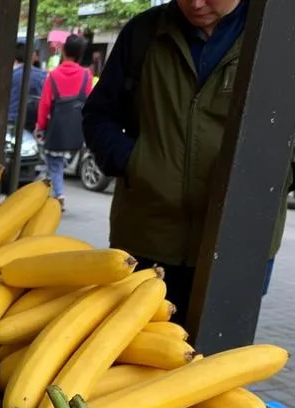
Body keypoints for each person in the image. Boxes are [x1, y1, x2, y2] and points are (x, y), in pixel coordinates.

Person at [83, 0, 286, 323]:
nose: (195, 3)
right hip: (147, 236)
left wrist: (273, 178)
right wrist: (133, 161)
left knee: (216, 361)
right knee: (136, 359)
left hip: (239, 242)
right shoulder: (143, 33)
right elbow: (99, 115)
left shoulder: (280, 37)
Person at [37, 33, 92, 211]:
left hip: (57, 128)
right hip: (77, 129)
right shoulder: (86, 75)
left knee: (53, 161)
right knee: (57, 163)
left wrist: (41, 127)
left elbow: (44, 104)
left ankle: (58, 194)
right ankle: (51, 191)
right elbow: (89, 102)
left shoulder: (53, 75)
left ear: (64, 51)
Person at [8, 43, 44, 130]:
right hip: (29, 123)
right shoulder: (41, 75)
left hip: (9, 119)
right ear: (32, 55)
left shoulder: (9, 74)